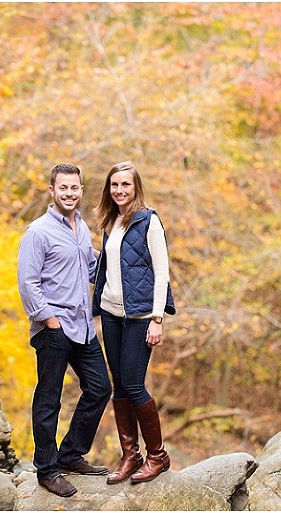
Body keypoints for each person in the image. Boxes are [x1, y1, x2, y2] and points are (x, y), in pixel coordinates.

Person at [17, 162, 112, 497]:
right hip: (53, 328)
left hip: (83, 326)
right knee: (49, 400)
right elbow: (28, 283)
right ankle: (46, 468)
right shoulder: (38, 232)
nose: (69, 194)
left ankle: (71, 455)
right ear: (52, 190)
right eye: (63, 188)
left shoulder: (81, 227)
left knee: (100, 388)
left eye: (75, 188)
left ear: (81, 190)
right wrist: (48, 319)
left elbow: (89, 267)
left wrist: (116, 255)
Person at [93, 161, 177, 484]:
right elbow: (108, 269)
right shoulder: (110, 222)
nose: (119, 190)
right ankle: (131, 455)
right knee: (119, 386)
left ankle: (158, 455)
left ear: (135, 187)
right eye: (114, 185)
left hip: (142, 317)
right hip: (113, 315)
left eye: (125, 185)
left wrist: (157, 319)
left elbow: (161, 274)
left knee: (134, 384)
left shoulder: (149, 222)